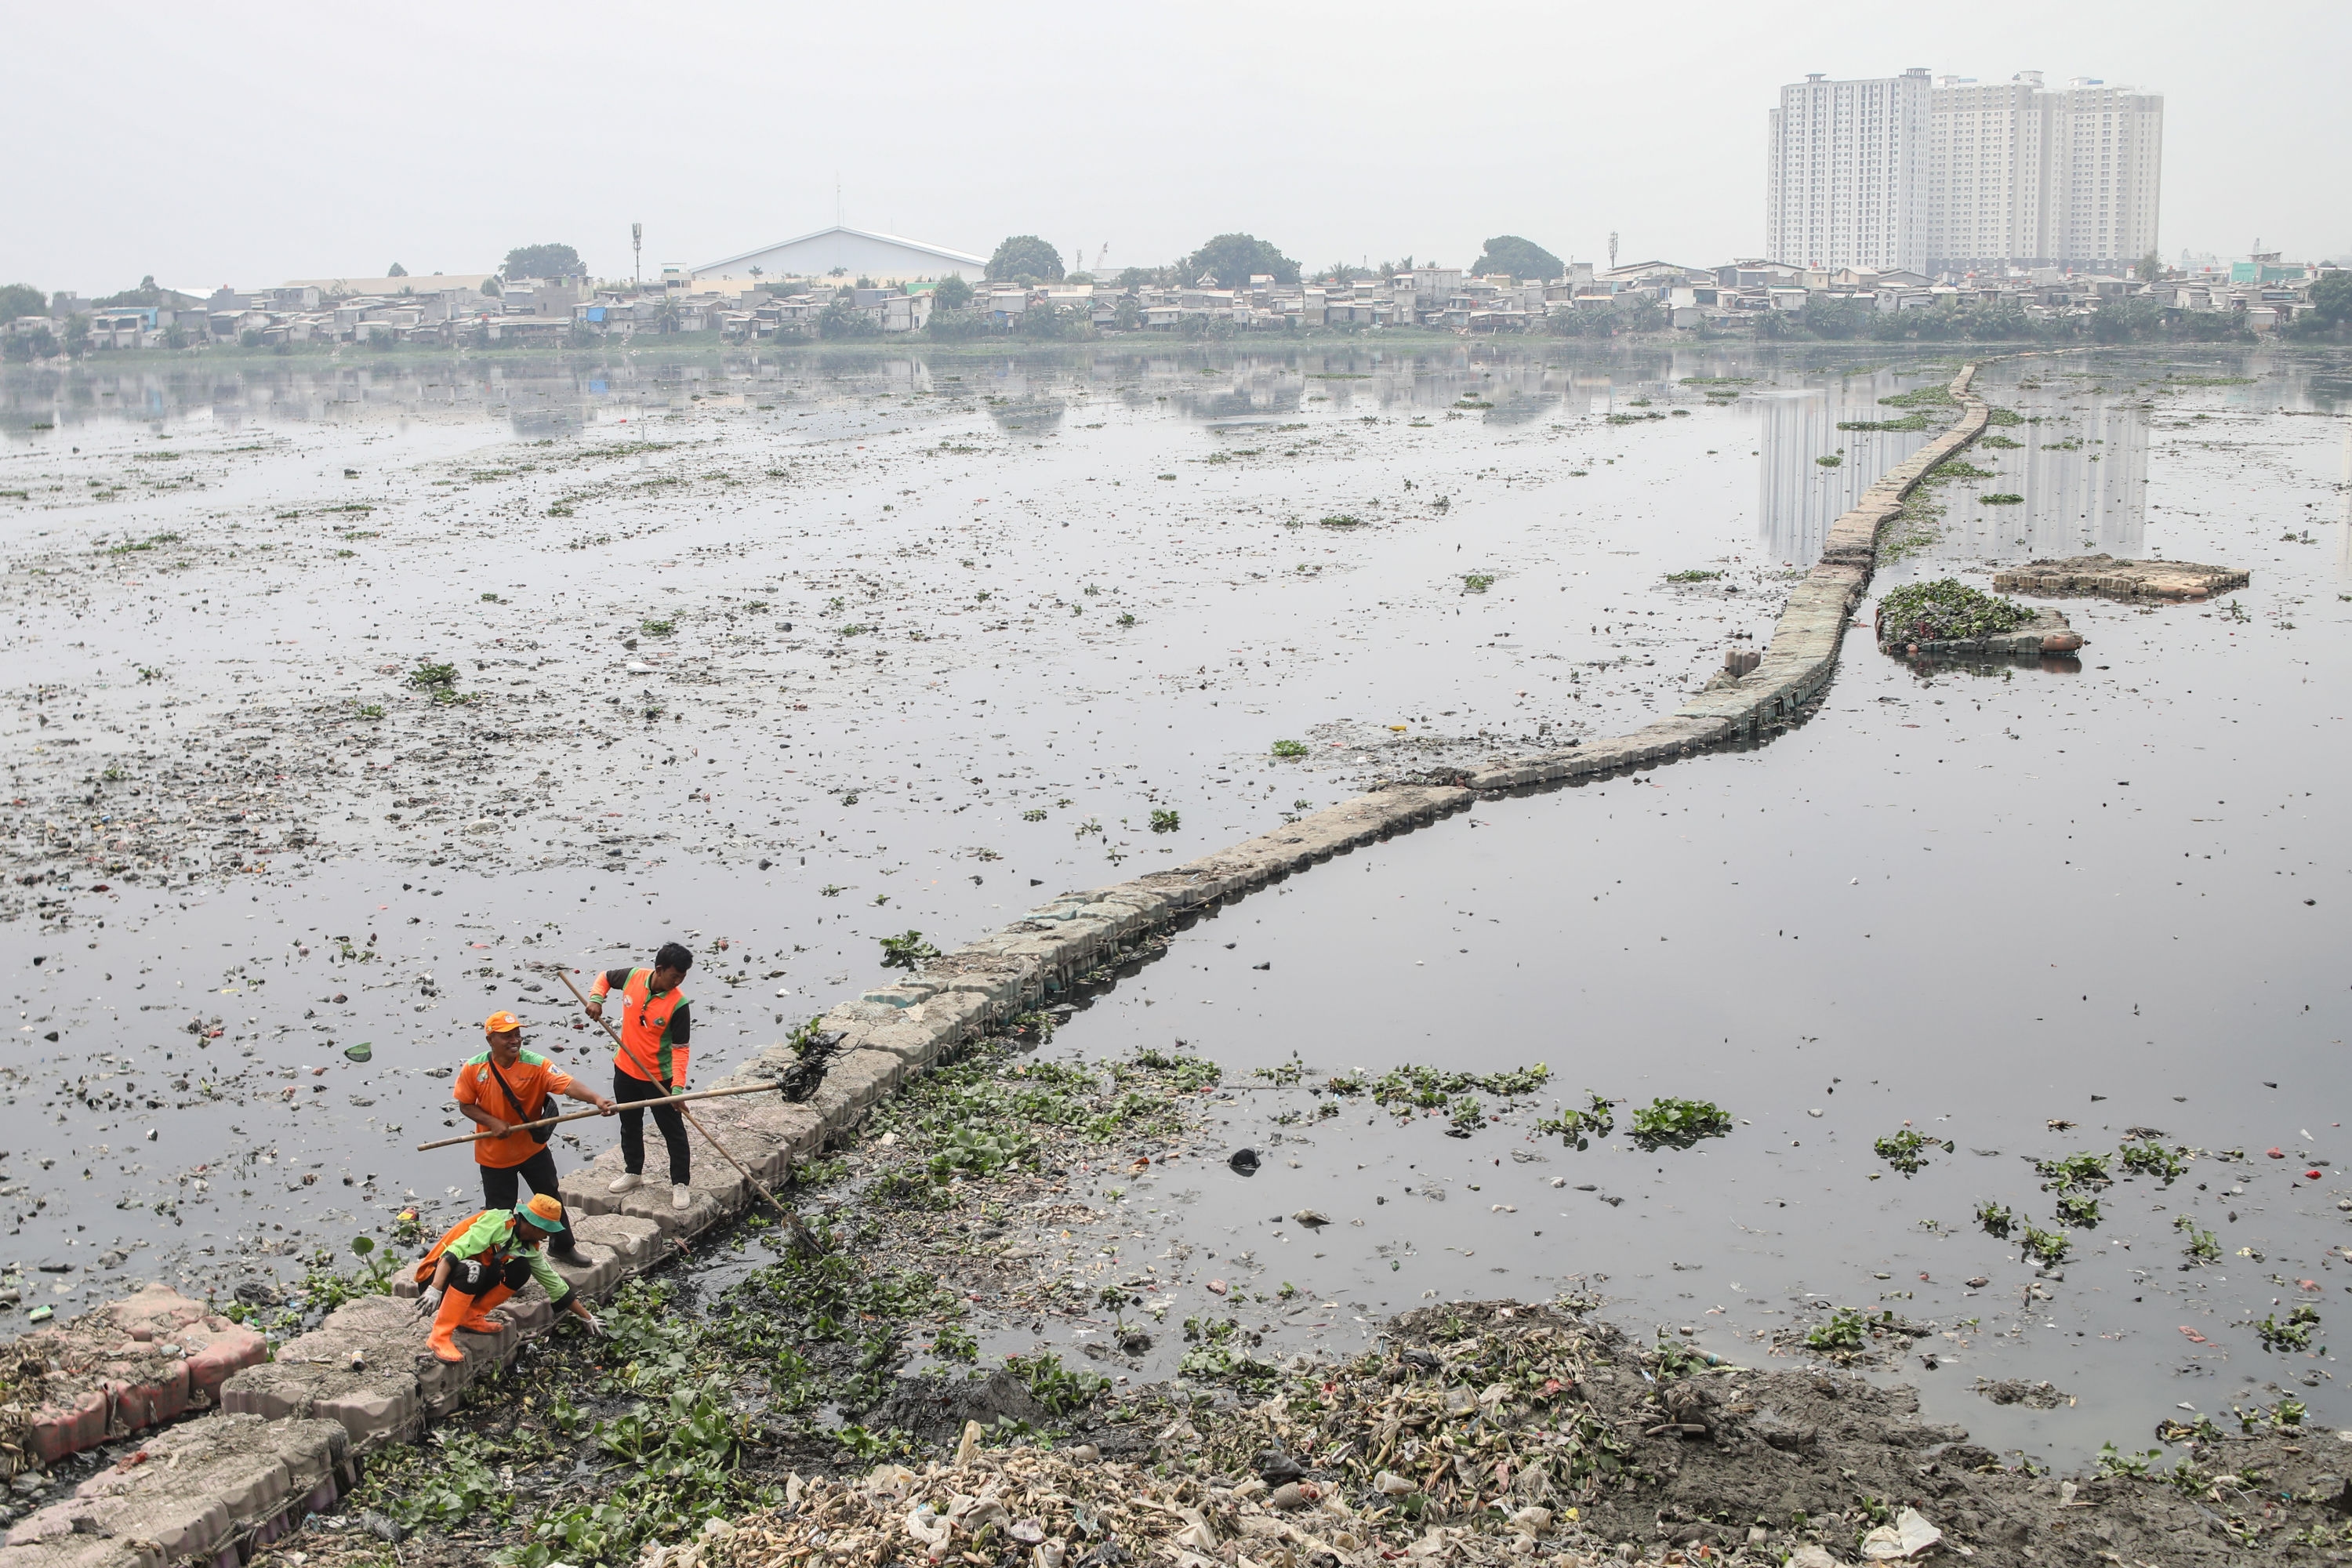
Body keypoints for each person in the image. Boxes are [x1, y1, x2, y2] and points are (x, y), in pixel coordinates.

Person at [454, 1010, 615, 1259]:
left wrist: (597, 1099)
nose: (515, 1041)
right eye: (507, 1036)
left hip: (532, 1149)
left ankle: (563, 1246)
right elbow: (465, 1105)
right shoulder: (474, 1069)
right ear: (490, 1040)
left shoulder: (536, 1064)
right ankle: (502, 1263)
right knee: (499, 1214)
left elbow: (568, 1084)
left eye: (517, 1034)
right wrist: (492, 1122)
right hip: (494, 1156)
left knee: (550, 1197)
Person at [412, 1194, 602, 1363]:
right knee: (473, 1269)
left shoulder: (527, 1246)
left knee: (521, 1269)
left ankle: (470, 1316)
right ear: (536, 1226)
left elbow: (554, 1284)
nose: (546, 1237)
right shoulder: (497, 1223)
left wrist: (587, 1317)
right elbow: (453, 1254)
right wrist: (435, 1289)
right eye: (547, 1231)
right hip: (437, 1274)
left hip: (467, 1279)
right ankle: (439, 1337)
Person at [584, 942, 695, 1211]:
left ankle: (680, 1183)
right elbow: (605, 978)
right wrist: (596, 999)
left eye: (682, 977)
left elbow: (681, 1050)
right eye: (674, 976)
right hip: (625, 1069)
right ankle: (634, 1172)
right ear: (659, 970)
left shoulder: (678, 1004)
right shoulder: (633, 977)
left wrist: (677, 1089)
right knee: (629, 1124)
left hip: (659, 1078)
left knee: (673, 1132)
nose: (678, 982)